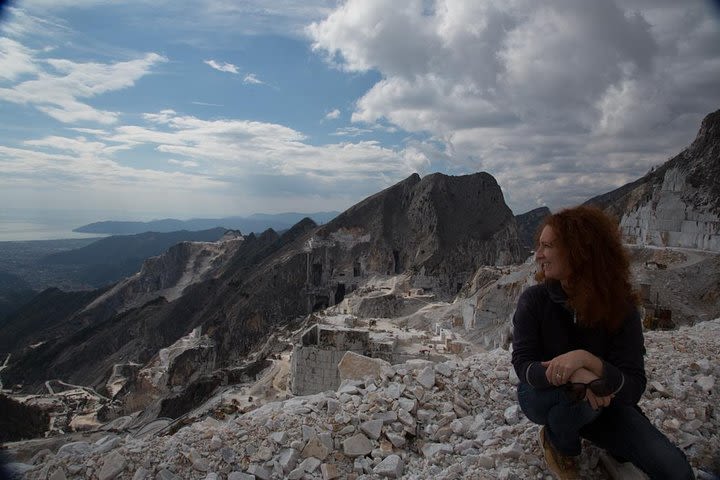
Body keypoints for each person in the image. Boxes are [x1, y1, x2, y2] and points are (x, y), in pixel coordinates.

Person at [511, 205, 694, 480]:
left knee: (677, 472)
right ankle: (561, 444)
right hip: (546, 396)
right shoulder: (534, 301)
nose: (538, 255)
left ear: (578, 251)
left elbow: (633, 387)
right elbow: (524, 366)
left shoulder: (620, 308)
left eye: (547, 246)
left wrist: (588, 361)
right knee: (570, 402)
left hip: (604, 405)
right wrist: (580, 376)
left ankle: (599, 440)